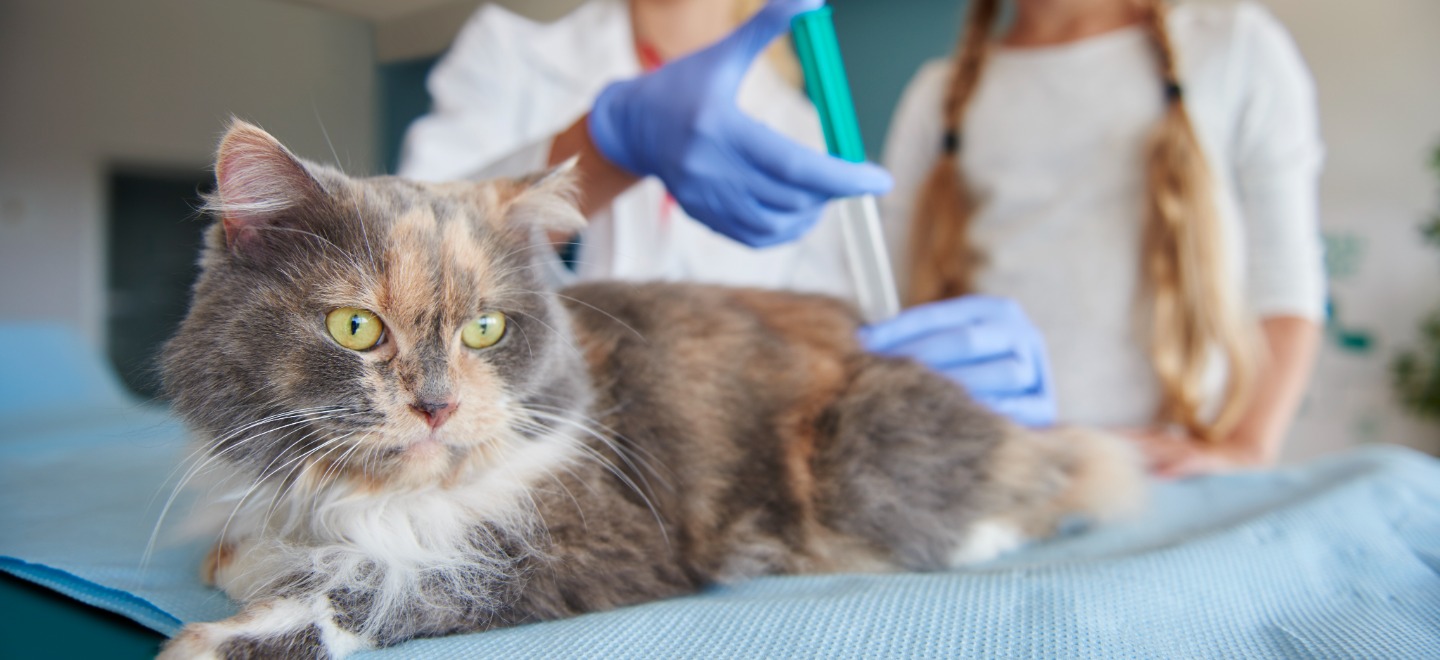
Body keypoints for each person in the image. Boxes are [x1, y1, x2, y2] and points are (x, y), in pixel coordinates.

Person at [400, 0, 1056, 427]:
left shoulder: (803, 126)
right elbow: (409, 260)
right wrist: (601, 148)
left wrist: (928, 383)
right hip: (520, 449)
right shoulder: (509, 55)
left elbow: (835, 342)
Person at [881, 0, 1324, 476]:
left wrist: (1246, 447)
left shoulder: (1234, 46)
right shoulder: (937, 94)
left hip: (1170, 473)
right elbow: (885, 296)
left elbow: (1285, 277)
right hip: (1000, 476)